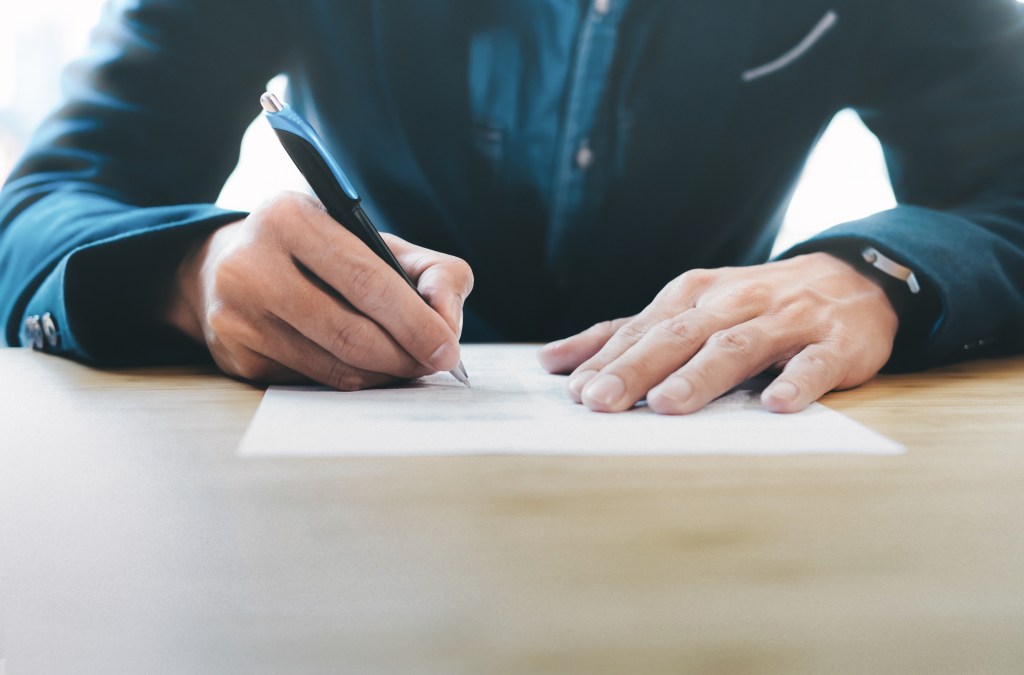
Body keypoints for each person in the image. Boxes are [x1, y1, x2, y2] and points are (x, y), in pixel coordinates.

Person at [2, 0, 1023, 416]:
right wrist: (193, 275)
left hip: (709, 465)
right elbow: (39, 206)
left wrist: (874, 274)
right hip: (364, 482)